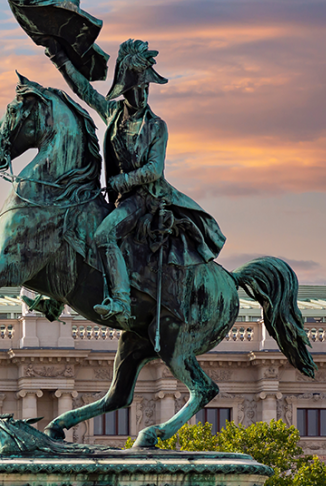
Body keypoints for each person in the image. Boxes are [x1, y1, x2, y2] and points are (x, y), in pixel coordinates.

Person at [46, 38, 226, 329]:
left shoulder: (156, 126)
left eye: (146, 88)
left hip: (145, 199)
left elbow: (154, 169)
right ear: (124, 88)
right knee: (72, 224)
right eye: (136, 88)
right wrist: (58, 57)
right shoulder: (114, 113)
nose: (142, 95)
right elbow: (85, 91)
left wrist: (122, 181)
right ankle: (57, 294)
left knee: (104, 234)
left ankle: (120, 300)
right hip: (118, 199)